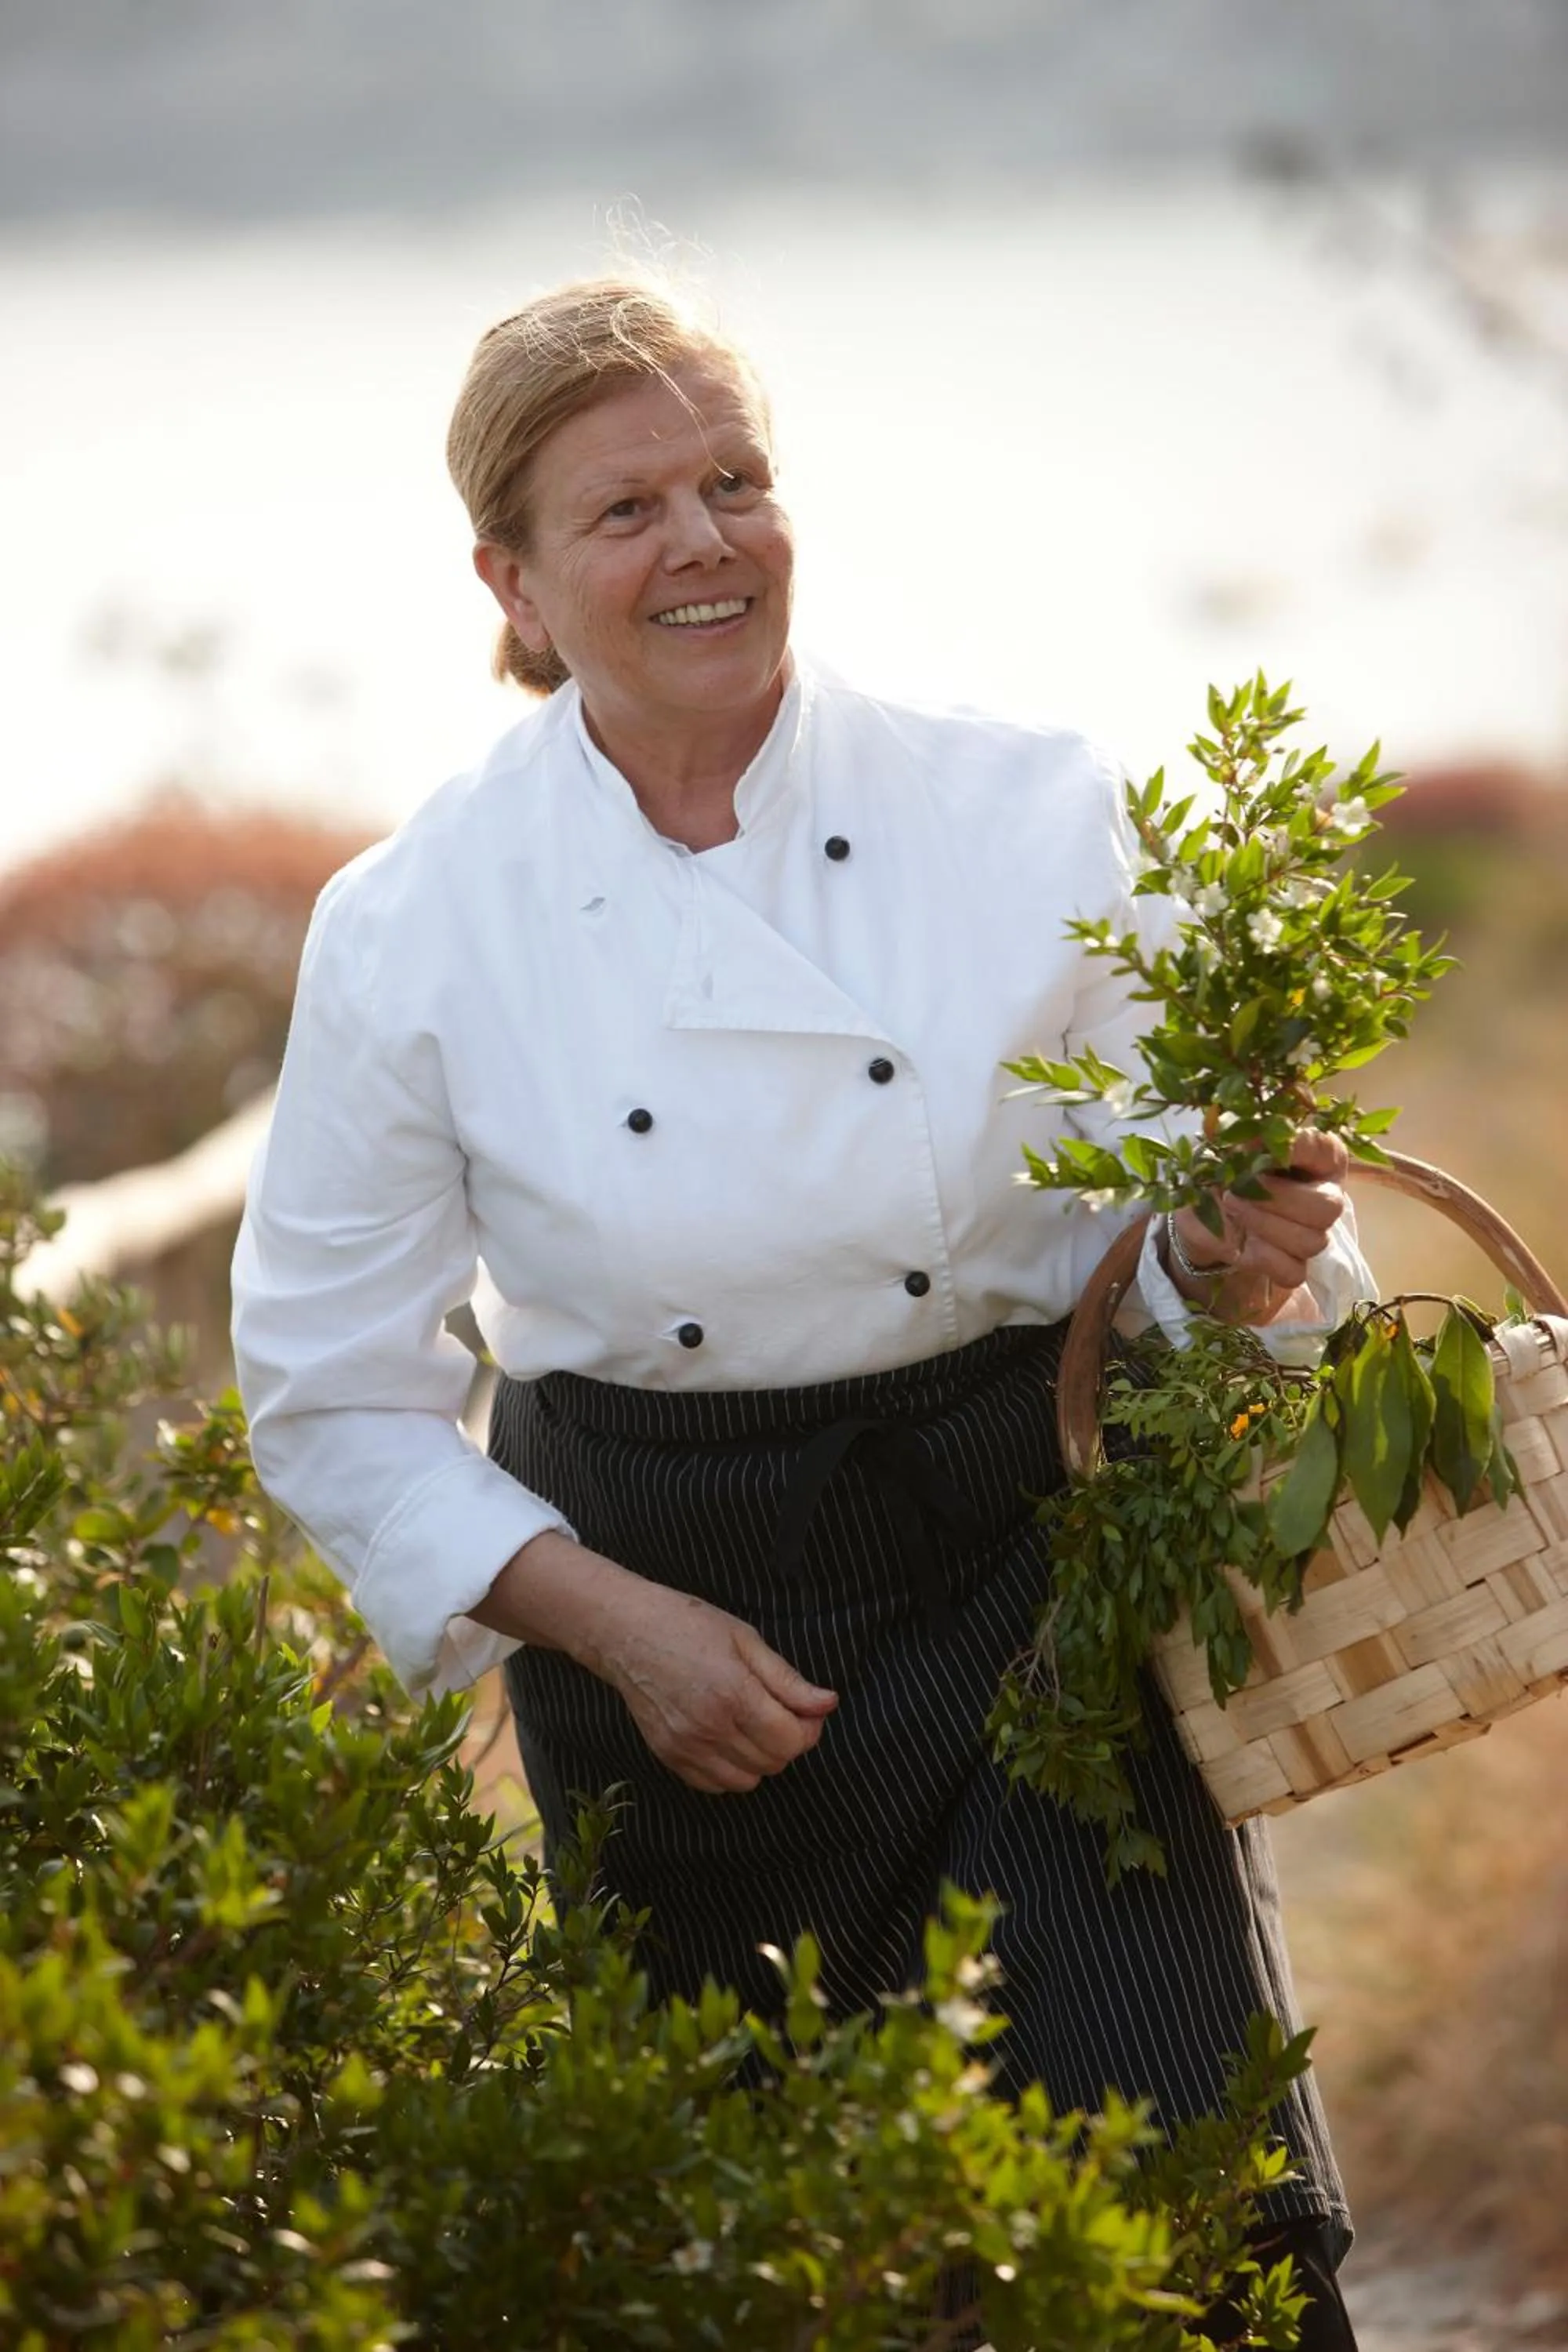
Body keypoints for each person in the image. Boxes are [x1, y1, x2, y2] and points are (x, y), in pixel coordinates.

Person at [231, 276, 1372, 2347]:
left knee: (1187, 2233)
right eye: (628, 509)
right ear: (510, 575)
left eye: (736, 483)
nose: (705, 545)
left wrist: (1228, 1260)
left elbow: (1217, 1260)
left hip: (1030, 1579)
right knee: (774, 2278)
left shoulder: (1034, 812)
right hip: (677, 1637)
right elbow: (327, 1392)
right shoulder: (414, 923)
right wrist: (611, 1624)